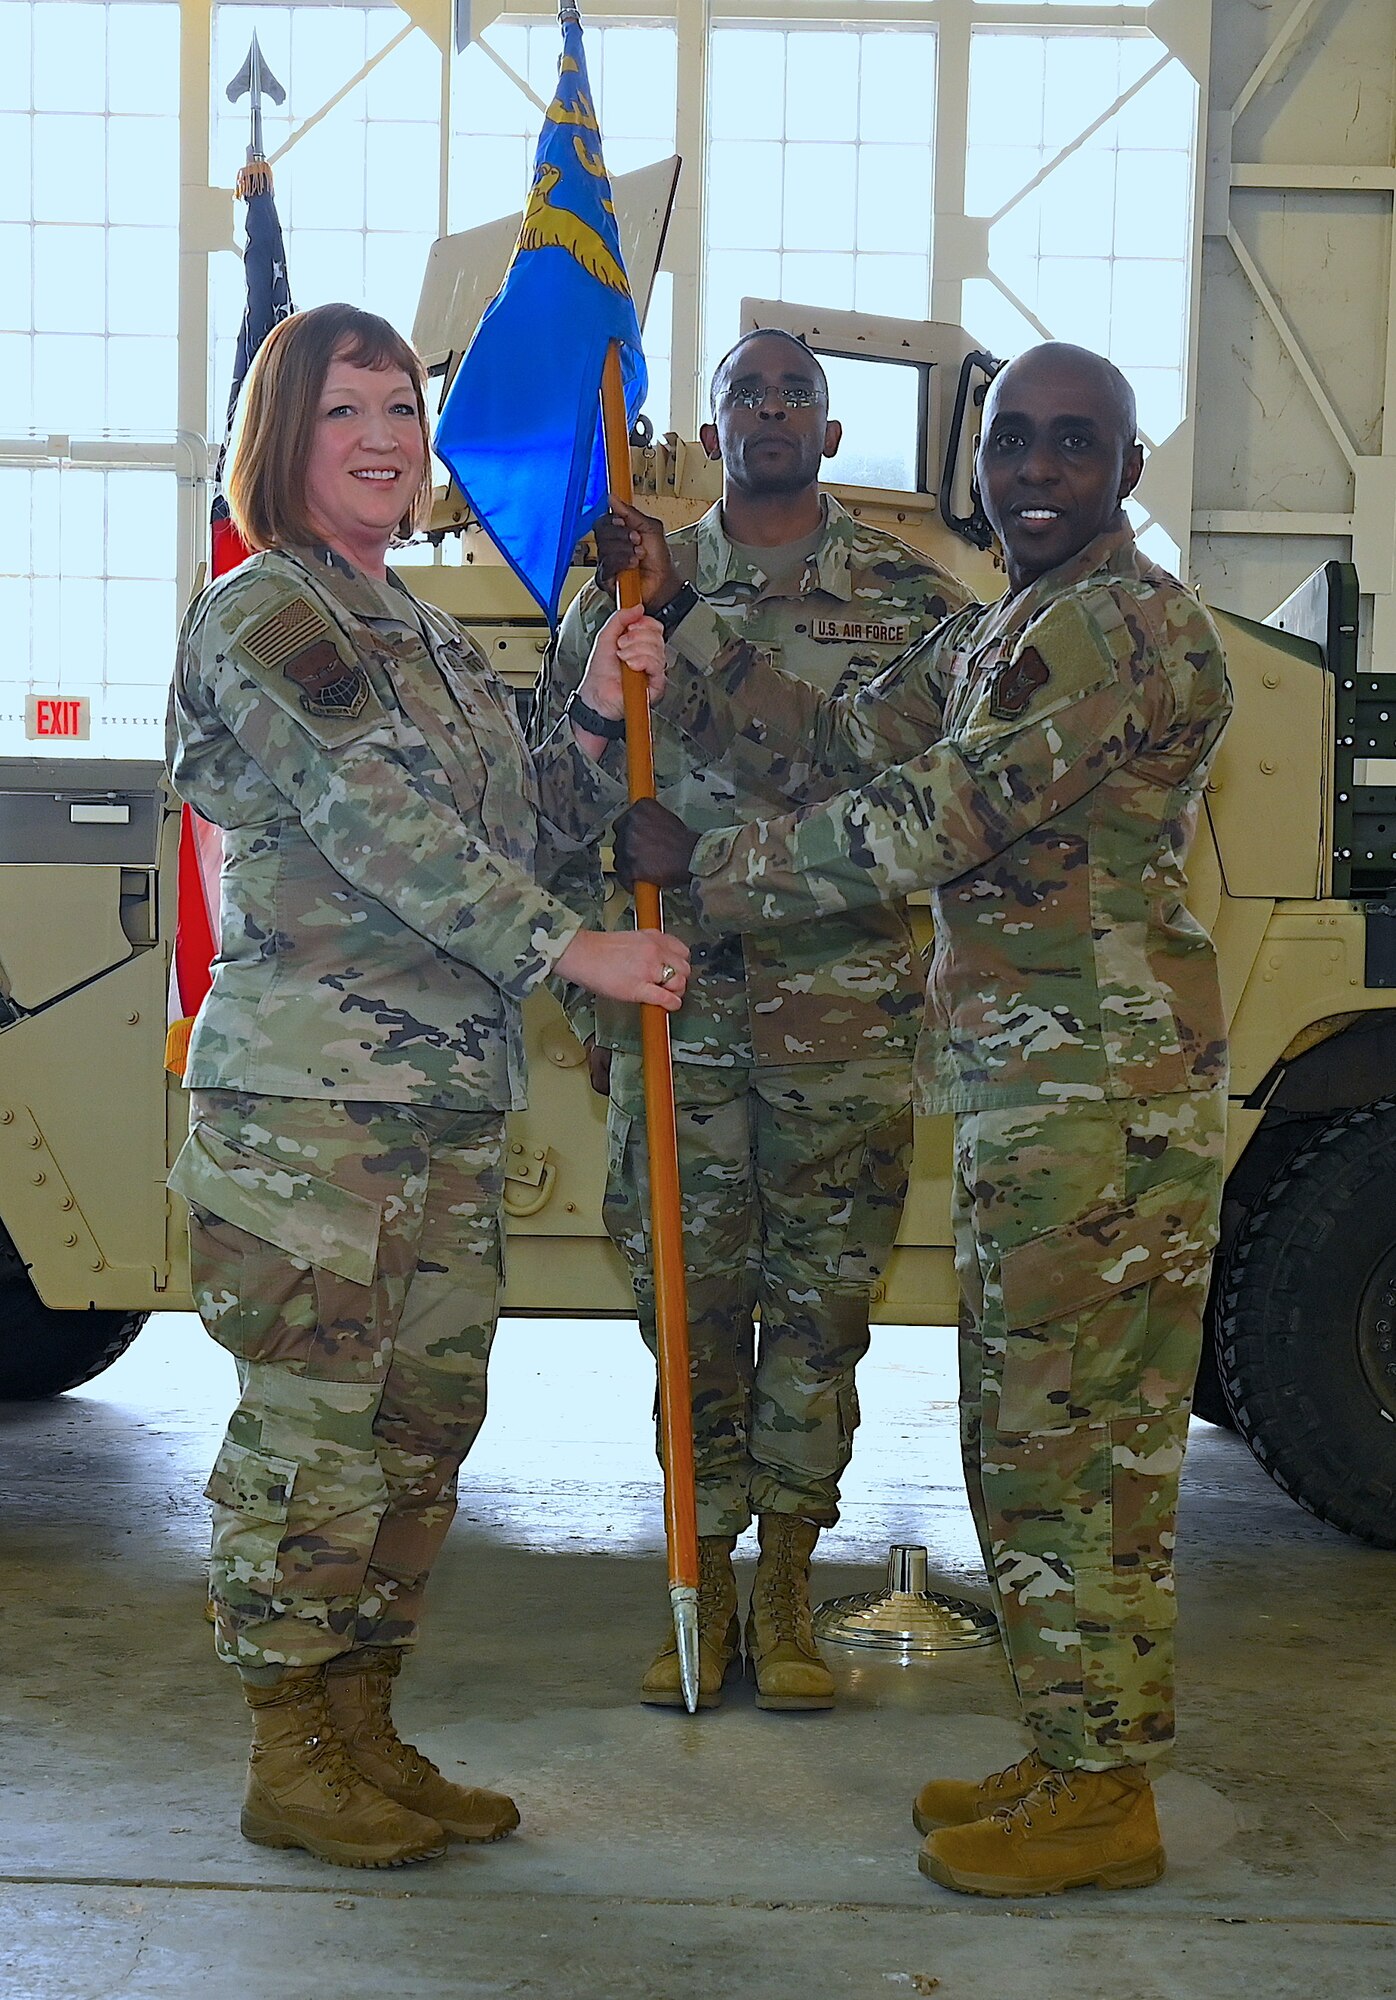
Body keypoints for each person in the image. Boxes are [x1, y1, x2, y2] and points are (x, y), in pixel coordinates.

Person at [566, 342, 1231, 1897]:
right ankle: (1071, 1746)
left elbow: (933, 817)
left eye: (1078, 446)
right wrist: (675, 607)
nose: (1041, 475)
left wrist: (701, 876)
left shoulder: (1120, 629)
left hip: (1101, 1103)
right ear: (975, 465)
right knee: (1027, 1438)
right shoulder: (1016, 619)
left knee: (1085, 1450)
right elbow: (848, 724)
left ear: (1128, 471)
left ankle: (1103, 1790)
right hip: (1032, 1091)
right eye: (1015, 446)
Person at [166, 302, 688, 1870]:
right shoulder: (270, 617)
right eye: (345, 413)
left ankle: (364, 1726)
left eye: (401, 406)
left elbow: (520, 814)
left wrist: (596, 700)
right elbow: (381, 825)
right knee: (313, 1438)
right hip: (311, 1119)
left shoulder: (431, 635)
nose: (385, 438)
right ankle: (286, 1748)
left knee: (420, 1429)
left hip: (443, 1111)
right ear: (284, 438)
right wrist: (571, 952)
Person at [531, 328, 971, 1713]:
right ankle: (700, 1578)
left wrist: (699, 647)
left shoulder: (910, 600)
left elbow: (893, 782)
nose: (774, 410)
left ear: (831, 435)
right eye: (747, 395)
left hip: (839, 1003)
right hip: (678, 1009)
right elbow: (562, 780)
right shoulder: (620, 588)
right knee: (687, 1300)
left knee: (824, 1302)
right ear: (711, 436)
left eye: (799, 394)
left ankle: (788, 1580)